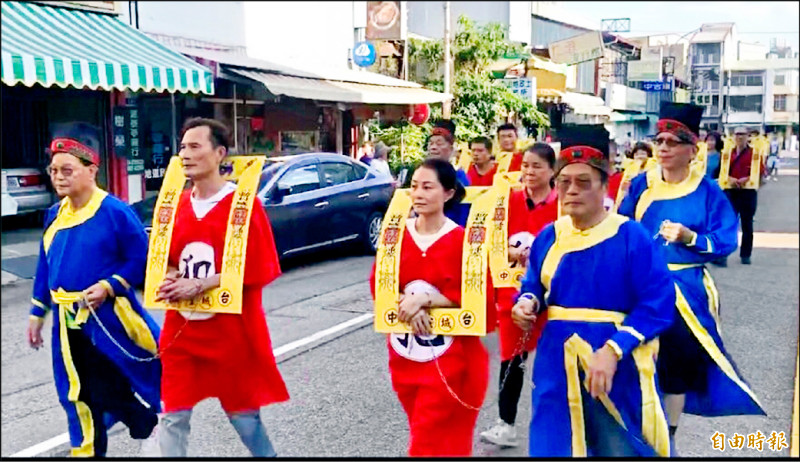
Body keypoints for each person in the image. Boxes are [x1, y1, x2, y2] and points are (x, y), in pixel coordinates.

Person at [511, 125, 676, 457]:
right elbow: (533, 284)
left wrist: (614, 350)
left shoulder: (631, 236)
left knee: (614, 445)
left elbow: (657, 304)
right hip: (556, 361)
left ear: (604, 186)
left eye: (583, 182)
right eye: (565, 182)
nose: (572, 191)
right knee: (555, 442)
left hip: (614, 363)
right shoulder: (549, 236)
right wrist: (526, 302)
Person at [618, 103, 765, 452]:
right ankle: (633, 432)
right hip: (642, 287)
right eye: (660, 141)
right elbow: (621, 229)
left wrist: (691, 238)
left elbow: (725, 239)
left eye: (672, 142)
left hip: (687, 291)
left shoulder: (707, 190)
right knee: (634, 360)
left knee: (676, 368)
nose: (664, 148)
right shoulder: (642, 184)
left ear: (692, 149)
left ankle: (668, 437)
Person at [155, 118, 289, 457]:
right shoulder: (176, 205)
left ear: (219, 154)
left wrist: (199, 284)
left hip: (231, 331)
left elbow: (257, 265)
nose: (185, 154)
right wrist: (172, 277)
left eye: (195, 146)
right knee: (173, 414)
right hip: (181, 331)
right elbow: (166, 258)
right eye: (183, 147)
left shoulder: (243, 206)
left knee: (244, 416)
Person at [27, 138, 161, 457]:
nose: (58, 176)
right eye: (53, 170)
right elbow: (46, 264)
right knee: (77, 392)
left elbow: (141, 259)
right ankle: (87, 450)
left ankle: (144, 420)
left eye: (67, 170)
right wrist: (37, 313)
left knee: (108, 386)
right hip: (67, 319)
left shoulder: (114, 212)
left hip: (110, 319)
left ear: (91, 171)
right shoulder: (54, 214)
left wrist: (109, 285)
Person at [370, 158, 495, 456]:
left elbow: (481, 300)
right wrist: (404, 302)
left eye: (428, 187)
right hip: (405, 357)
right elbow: (379, 283)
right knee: (433, 439)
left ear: (449, 193)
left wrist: (427, 300)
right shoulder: (395, 237)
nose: (419, 194)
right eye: (414, 187)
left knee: (425, 442)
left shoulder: (465, 242)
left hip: (452, 360)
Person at [480, 143, 558, 448]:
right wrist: (508, 252)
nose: (529, 171)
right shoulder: (505, 203)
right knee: (511, 359)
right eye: (525, 165)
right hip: (512, 292)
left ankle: (558, 423)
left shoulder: (563, 205)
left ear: (552, 171)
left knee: (554, 360)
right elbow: (487, 241)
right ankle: (506, 423)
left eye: (537, 166)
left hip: (555, 295)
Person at [719, 126, 765, 265]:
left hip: (747, 192)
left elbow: (760, 172)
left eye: (743, 135)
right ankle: (723, 255)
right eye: (737, 134)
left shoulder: (755, 153)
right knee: (727, 223)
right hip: (731, 190)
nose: (740, 137)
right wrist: (730, 179)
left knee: (747, 224)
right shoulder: (727, 154)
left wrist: (747, 179)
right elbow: (721, 171)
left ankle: (745, 254)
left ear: (748, 137)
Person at [427, 120, 471, 225]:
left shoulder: (459, 177)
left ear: (451, 148)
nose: (433, 147)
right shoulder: (422, 173)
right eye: (431, 143)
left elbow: (464, 213)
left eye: (439, 143)